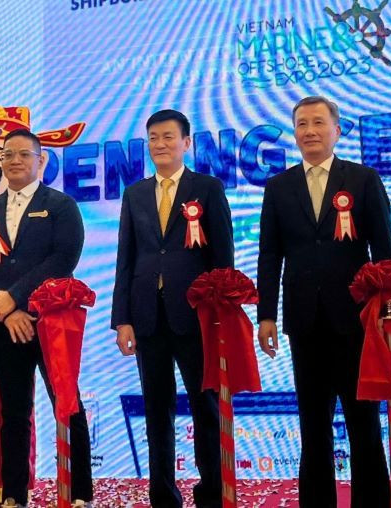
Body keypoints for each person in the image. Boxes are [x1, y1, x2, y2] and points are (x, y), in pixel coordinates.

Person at [256, 96, 391, 507]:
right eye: (302, 124)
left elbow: (383, 251)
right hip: (304, 321)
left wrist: (387, 310)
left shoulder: (363, 179)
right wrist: (266, 315)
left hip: (357, 319)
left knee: (363, 423)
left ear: (337, 130)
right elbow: (269, 255)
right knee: (313, 426)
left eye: (318, 122)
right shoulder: (278, 187)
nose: (310, 131)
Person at [111, 109, 233, 508]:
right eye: (153, 138)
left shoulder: (208, 188)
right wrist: (122, 319)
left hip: (197, 316)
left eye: (168, 137)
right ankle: (163, 495)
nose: (160, 145)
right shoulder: (135, 194)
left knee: (206, 407)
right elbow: (126, 259)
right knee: (156, 410)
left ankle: (212, 493)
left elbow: (223, 257)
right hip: (147, 317)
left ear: (186, 142)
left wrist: (221, 312)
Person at [0, 129, 93, 508]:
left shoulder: (61, 205)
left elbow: (63, 258)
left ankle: (80, 493)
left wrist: (16, 298)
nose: (16, 161)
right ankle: (13, 495)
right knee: (14, 412)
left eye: (24, 154)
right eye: (8, 155)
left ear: (41, 161)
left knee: (67, 404)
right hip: (5, 326)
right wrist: (5, 310)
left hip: (51, 323)